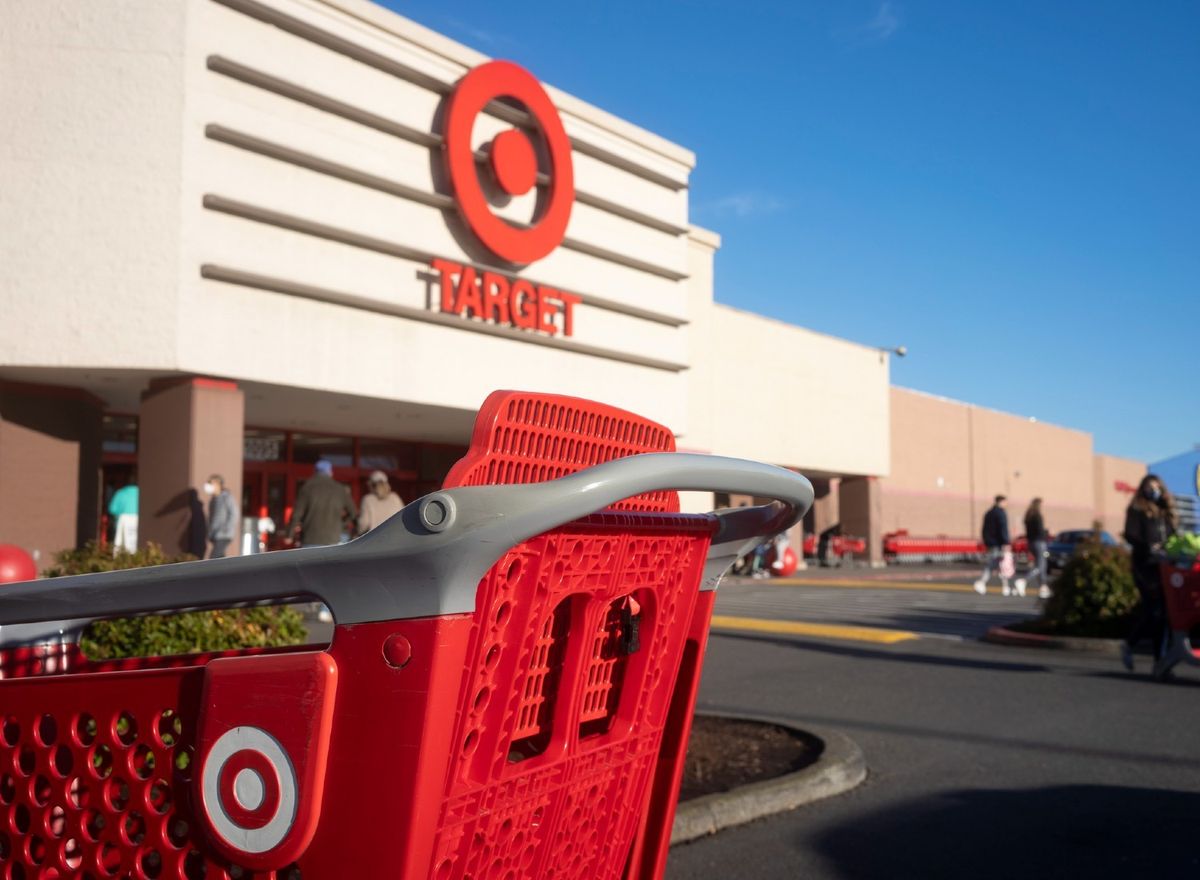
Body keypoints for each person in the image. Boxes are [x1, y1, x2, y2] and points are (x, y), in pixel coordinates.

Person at [1120, 474, 1177, 672]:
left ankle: (1160, 661)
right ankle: (1131, 644)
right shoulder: (1137, 510)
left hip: (1165, 566)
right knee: (1155, 611)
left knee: (1165, 613)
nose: (1153, 490)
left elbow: (1173, 535)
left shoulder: (1164, 512)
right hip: (1145, 566)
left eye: (1156, 487)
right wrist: (1148, 547)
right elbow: (1130, 535)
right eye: (1149, 486)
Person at [287, 459, 357, 547]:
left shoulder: (307, 488)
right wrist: (341, 525)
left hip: (310, 538)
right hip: (333, 538)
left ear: (315, 472)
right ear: (330, 472)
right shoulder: (339, 489)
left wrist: (289, 535)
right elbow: (353, 513)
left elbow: (297, 514)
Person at [974, 495, 1018, 596]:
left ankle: (1005, 587)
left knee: (998, 564)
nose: (1007, 504)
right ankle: (983, 582)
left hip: (990, 542)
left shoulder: (988, 513)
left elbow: (984, 529)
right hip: (998, 543)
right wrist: (1006, 542)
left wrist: (986, 540)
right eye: (1005, 502)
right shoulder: (1001, 513)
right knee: (998, 564)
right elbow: (1003, 529)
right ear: (1001, 501)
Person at [1016, 497, 1051, 600]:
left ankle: (1043, 588)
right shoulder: (1037, 516)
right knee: (1040, 566)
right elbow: (1040, 530)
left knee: (1041, 565)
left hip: (1031, 542)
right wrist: (1046, 534)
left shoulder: (1028, 516)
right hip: (1039, 542)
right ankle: (1024, 581)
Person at [204, 474, 239, 559]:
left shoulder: (227, 497)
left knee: (213, 557)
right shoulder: (213, 500)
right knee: (220, 558)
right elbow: (211, 518)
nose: (208, 485)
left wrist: (226, 529)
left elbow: (234, 514)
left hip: (224, 535)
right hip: (214, 535)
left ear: (218, 484)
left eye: (211, 483)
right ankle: (228, 572)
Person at [108, 475, 139, 555]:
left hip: (124, 519)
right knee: (135, 541)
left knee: (121, 541)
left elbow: (112, 509)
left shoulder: (121, 492)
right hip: (138, 519)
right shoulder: (140, 492)